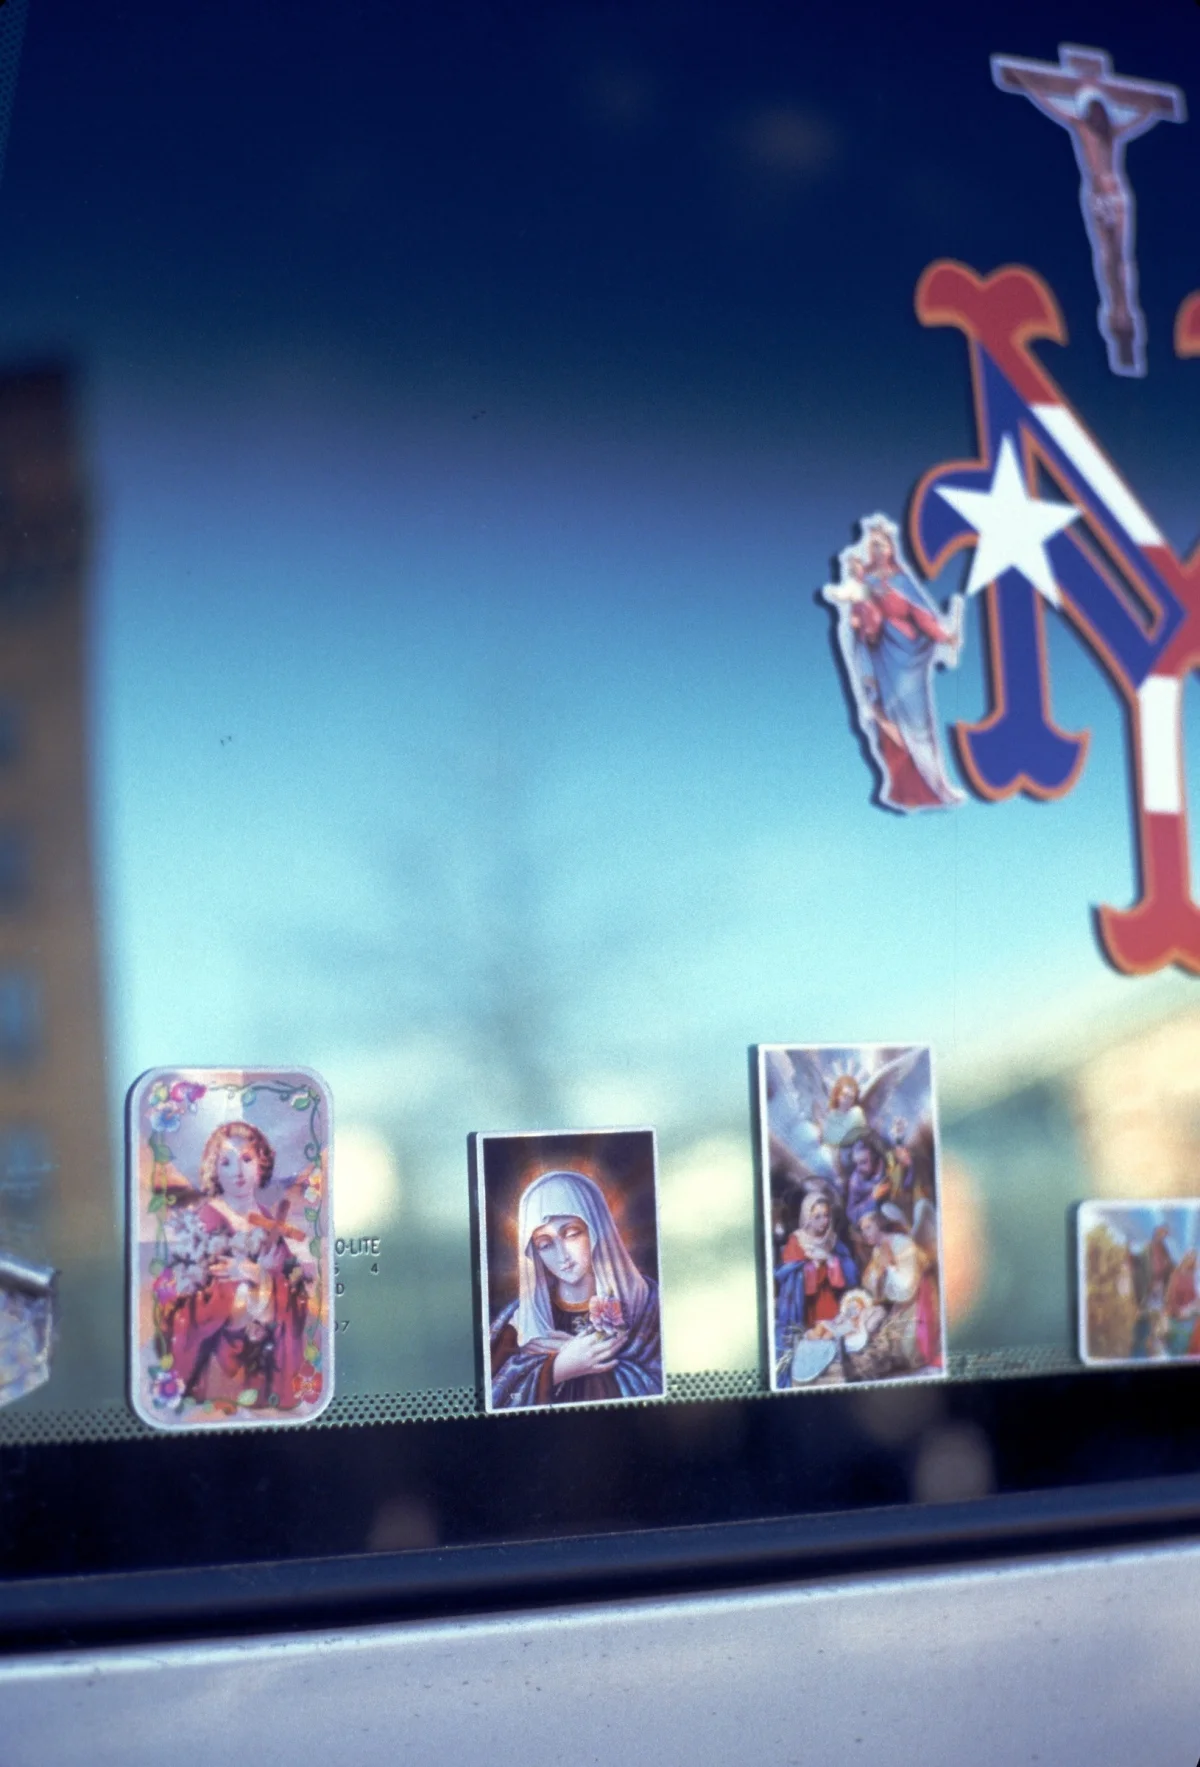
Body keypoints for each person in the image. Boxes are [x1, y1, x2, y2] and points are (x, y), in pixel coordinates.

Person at [153, 1120, 313, 1412]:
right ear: (214, 1170)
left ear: (261, 1163)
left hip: (261, 1342)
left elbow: (294, 1291)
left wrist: (259, 1276)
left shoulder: (267, 1219)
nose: (238, 1172)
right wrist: (246, 1281)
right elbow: (189, 1295)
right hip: (216, 1343)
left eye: (247, 1159)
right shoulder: (206, 1220)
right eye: (226, 1163)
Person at [489, 1169, 663, 1409]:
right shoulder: (520, 1322)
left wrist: (583, 1358)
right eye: (545, 1244)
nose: (562, 1256)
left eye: (571, 1234)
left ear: (597, 1228)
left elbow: (663, 1386)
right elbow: (494, 1397)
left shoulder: (647, 1302)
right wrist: (558, 1368)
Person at [825, 520, 964, 812]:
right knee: (883, 716)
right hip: (878, 657)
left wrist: (944, 636)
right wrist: (857, 614)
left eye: (883, 544)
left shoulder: (901, 581)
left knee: (916, 722)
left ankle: (932, 785)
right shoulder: (864, 580)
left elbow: (921, 616)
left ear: (891, 548)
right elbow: (855, 611)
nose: (878, 549)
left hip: (906, 660)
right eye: (873, 544)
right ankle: (902, 788)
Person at [775, 1191, 858, 1364]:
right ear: (807, 1217)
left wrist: (832, 1262)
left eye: (826, 1215)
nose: (823, 1221)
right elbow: (788, 1274)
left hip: (828, 1300)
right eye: (817, 1216)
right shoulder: (797, 1240)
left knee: (832, 1337)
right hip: (804, 1305)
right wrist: (812, 1266)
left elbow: (848, 1274)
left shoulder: (832, 1240)